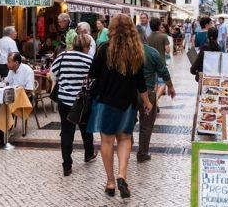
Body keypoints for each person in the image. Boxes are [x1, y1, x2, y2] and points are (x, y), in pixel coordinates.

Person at [87, 14, 152, 199]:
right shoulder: (137, 51)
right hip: (127, 103)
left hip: (106, 102)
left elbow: (92, 74)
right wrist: (147, 102)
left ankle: (110, 182)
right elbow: (141, 83)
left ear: (112, 28)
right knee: (125, 138)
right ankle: (122, 174)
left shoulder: (103, 49)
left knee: (107, 141)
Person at [50, 34, 96, 176]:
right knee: (86, 128)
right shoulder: (89, 60)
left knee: (67, 131)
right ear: (84, 46)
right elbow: (94, 78)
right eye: (89, 46)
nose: (89, 49)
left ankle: (67, 164)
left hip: (64, 100)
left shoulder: (62, 57)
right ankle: (88, 154)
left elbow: (52, 74)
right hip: (82, 101)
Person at [135, 26, 175, 163]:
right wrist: (171, 87)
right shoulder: (152, 52)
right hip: (148, 92)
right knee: (146, 125)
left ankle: (126, 149)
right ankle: (142, 153)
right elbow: (163, 71)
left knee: (127, 123)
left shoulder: (127, 52)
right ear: (144, 37)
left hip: (128, 93)